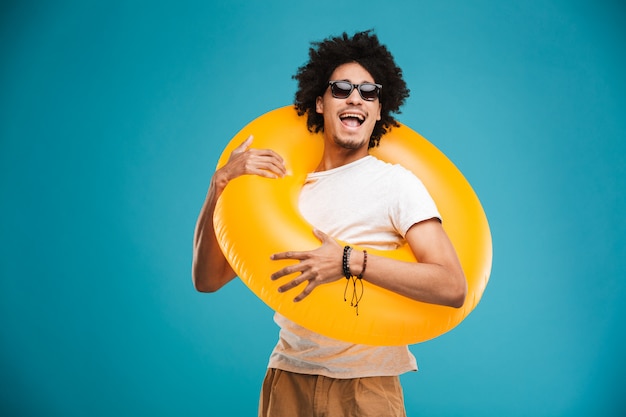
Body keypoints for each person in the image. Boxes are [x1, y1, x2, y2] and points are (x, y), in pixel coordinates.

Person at [192, 30, 467, 417]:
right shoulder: (285, 191)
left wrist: (350, 260)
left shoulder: (396, 184)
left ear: (378, 109)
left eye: (368, 92)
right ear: (320, 103)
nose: (355, 97)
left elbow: (452, 286)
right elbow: (207, 280)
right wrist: (218, 186)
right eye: (341, 88)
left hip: (366, 385)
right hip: (289, 376)